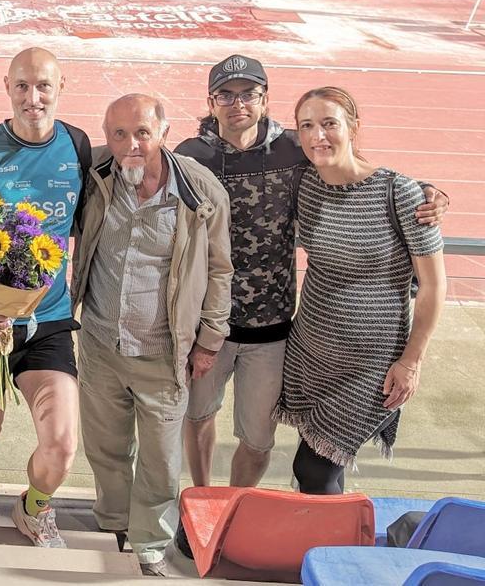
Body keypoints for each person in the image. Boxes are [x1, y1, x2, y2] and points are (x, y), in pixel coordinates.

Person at [175, 56, 448, 491]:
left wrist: (431, 193)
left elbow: (368, 179)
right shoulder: (191, 157)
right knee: (198, 416)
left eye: (248, 94)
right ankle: (203, 496)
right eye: (226, 94)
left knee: (267, 443)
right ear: (211, 101)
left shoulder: (293, 150)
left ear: (265, 100)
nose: (237, 103)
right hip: (212, 325)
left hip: (278, 332)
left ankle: (236, 507)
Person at [73, 94, 231, 577]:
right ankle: (117, 523)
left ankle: (150, 542)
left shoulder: (201, 192)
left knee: (161, 461)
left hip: (165, 352)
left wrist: (209, 340)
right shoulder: (97, 174)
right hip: (100, 342)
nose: (131, 144)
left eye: (142, 132)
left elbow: (221, 271)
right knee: (105, 447)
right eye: (119, 134)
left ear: (164, 130)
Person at [0, 47, 89, 549]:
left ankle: (33, 507)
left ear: (61, 86)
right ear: (7, 86)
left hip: (47, 322)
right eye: (23, 86)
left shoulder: (79, 147)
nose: (33, 97)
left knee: (63, 441)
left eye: (43, 85)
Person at [273, 87, 445, 494]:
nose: (319, 136)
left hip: (370, 366)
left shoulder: (399, 194)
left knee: (313, 469)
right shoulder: (305, 184)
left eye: (330, 124)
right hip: (311, 354)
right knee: (323, 461)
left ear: (353, 128)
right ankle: (326, 540)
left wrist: (411, 361)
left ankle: (327, 555)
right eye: (307, 126)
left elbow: (434, 286)